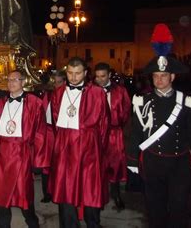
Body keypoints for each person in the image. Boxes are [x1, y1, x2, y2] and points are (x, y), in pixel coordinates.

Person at [127, 24, 191, 228]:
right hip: (153, 163)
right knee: (155, 208)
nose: (159, 79)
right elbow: (136, 132)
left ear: (172, 77)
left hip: (180, 165)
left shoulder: (186, 100)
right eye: (155, 76)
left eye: (163, 76)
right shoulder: (141, 101)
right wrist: (132, 159)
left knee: (179, 207)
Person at [0, 70, 48, 228]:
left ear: (23, 82)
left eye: (15, 79)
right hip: (1, 154)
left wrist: (39, 160)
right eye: (8, 79)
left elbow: (41, 133)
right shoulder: (0, 100)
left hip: (21, 154)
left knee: (24, 200)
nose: (11, 82)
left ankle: (33, 223)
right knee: (1, 201)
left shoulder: (34, 102)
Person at [49, 57, 110, 228]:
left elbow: (104, 124)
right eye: (70, 73)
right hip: (65, 147)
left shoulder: (97, 93)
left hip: (89, 147)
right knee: (65, 189)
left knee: (90, 189)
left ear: (85, 73)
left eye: (77, 73)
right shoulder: (58, 92)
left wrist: (99, 150)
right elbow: (55, 121)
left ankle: (93, 223)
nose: (73, 77)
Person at [94, 62, 131, 210]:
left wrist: (118, 125)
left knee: (115, 165)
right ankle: (97, 197)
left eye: (103, 76)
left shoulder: (120, 91)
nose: (100, 79)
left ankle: (115, 194)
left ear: (109, 75)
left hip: (114, 133)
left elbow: (127, 109)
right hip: (96, 134)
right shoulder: (90, 90)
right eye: (97, 76)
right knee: (97, 165)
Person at [40, 70, 66, 203]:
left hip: (61, 133)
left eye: (59, 83)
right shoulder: (48, 94)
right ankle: (47, 193)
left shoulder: (67, 95)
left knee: (60, 164)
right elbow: (42, 112)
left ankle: (58, 191)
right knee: (46, 164)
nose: (57, 86)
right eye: (54, 83)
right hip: (48, 132)